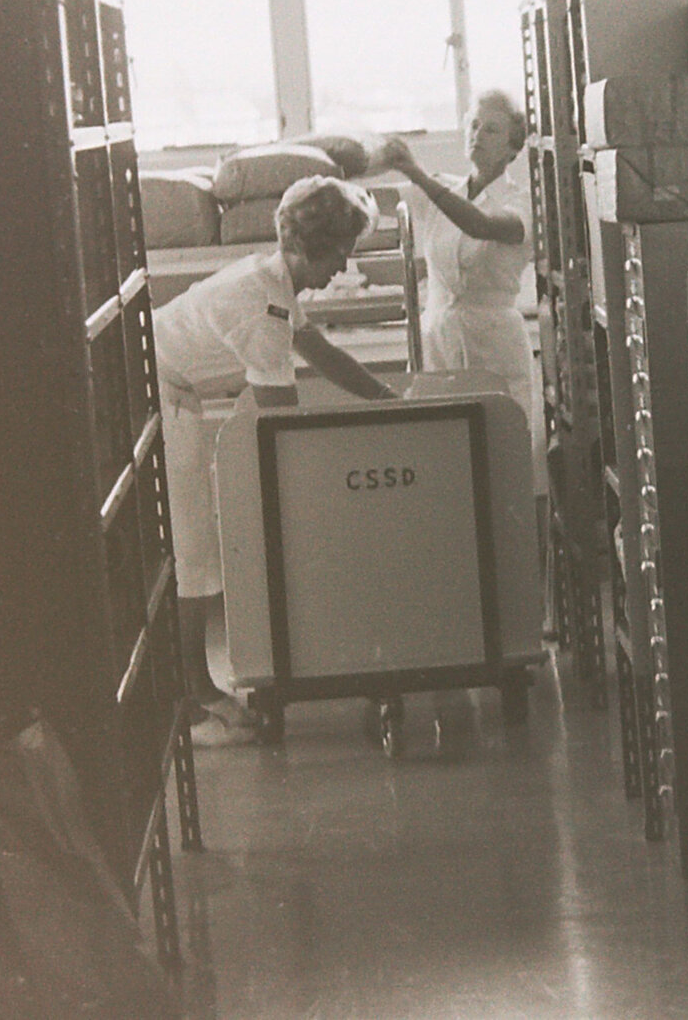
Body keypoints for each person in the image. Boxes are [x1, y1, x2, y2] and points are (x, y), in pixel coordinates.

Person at [154, 175, 397, 746]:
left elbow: (321, 353)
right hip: (161, 401)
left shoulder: (272, 281)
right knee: (192, 560)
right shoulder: (263, 305)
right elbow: (280, 424)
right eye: (340, 253)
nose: (344, 267)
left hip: (173, 396)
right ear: (311, 247)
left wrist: (389, 401)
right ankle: (187, 712)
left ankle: (203, 691)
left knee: (200, 559)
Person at [381, 90, 541, 474]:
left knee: (502, 466)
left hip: (495, 347)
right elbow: (367, 201)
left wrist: (414, 171)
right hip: (437, 340)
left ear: (512, 148)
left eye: (492, 130)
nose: (477, 135)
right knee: (443, 466)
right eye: (473, 125)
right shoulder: (441, 189)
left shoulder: (523, 203)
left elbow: (480, 224)